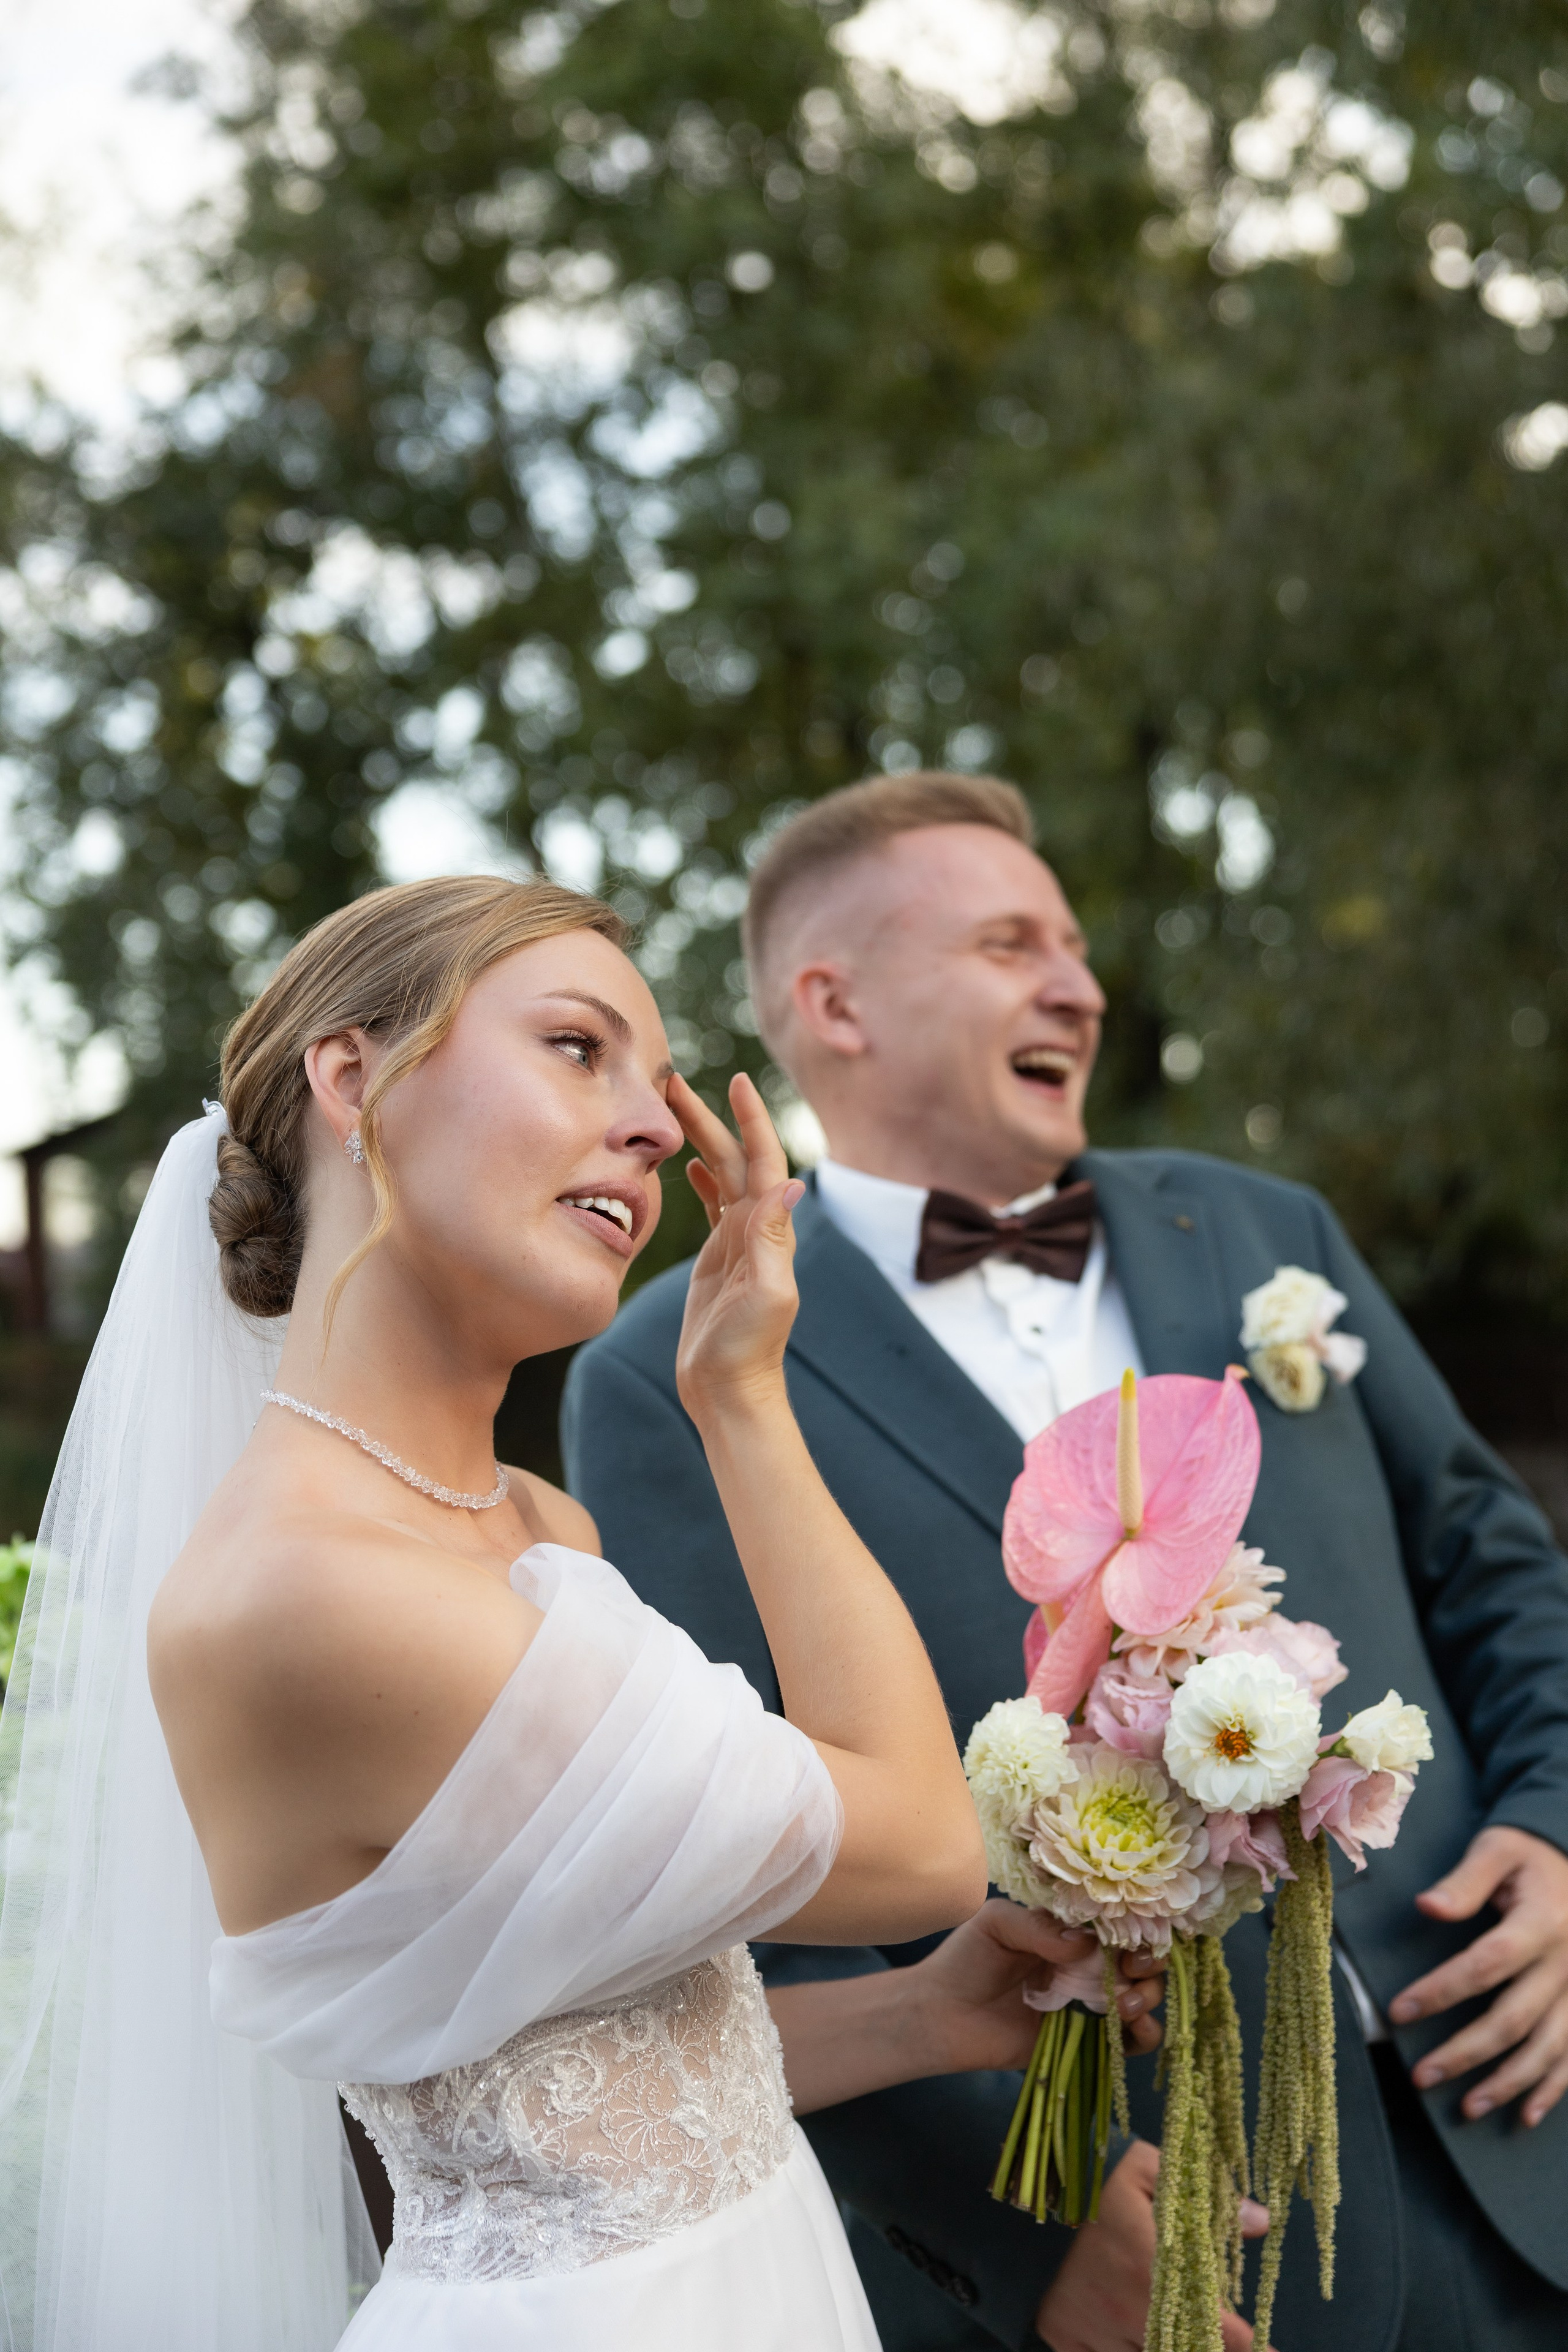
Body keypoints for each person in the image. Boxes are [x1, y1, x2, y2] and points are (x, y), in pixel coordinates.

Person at [0, 872, 1164, 2352]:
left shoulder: (532, 1527)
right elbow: (925, 1846)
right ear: (354, 1079)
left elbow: (569, 2096)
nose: (659, 1121)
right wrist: (743, 1399)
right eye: (577, 1047)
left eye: (662, 1077)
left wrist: (918, 2019)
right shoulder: (316, 1592)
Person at [563, 772, 1568, 2352]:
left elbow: (1491, 1567)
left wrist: (1557, 1829)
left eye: (1077, 948)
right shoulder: (666, 1377)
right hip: (1168, 2237)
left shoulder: (1263, 1235)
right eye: (1007, 944)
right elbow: (743, 1875)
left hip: (1523, 2122)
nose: (1077, 986)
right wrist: (1012, 2237)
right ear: (835, 1004)